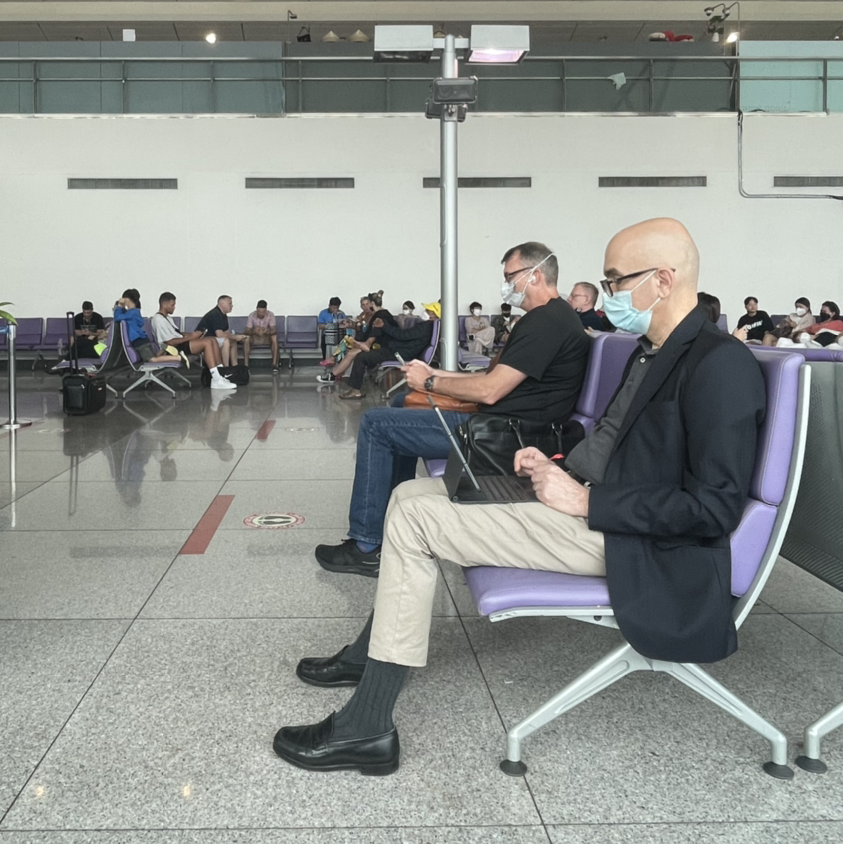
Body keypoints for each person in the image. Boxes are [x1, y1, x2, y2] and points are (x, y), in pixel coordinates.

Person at [274, 217, 766, 776]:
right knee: (410, 495)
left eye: (615, 281)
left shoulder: (719, 364)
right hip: (593, 505)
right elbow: (619, 448)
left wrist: (586, 502)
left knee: (415, 522)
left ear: (663, 279)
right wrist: (555, 467)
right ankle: (371, 658)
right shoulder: (652, 352)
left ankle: (367, 726)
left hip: (635, 540)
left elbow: (714, 510)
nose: (607, 295)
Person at [314, 243, 589, 577]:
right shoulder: (549, 319)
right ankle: (383, 526)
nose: (506, 285)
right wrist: (434, 374)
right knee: (400, 404)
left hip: (506, 436)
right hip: (505, 426)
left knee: (376, 424)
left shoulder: (547, 322)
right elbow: (491, 378)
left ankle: (365, 546)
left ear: (534, 275)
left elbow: (490, 391)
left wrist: (431, 383)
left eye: (510, 277)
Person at [337, 308, 432, 399]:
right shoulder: (426, 326)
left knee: (361, 357)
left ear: (433, 315)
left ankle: (355, 391)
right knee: (380, 321)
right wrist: (383, 325)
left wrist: (384, 325)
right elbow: (405, 336)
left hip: (399, 352)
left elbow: (403, 336)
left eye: (428, 311)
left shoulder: (424, 327)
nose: (425, 312)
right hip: (399, 348)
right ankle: (368, 344)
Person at [150, 292, 235, 389]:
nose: (174, 307)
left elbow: (177, 334)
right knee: (207, 342)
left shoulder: (167, 318)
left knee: (212, 339)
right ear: (164, 304)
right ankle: (216, 379)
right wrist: (191, 337)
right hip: (172, 349)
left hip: (180, 344)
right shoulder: (158, 319)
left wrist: (193, 334)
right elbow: (169, 342)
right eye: (172, 305)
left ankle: (220, 374)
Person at [197, 295, 247, 367]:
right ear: (222, 304)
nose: (232, 306)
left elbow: (226, 332)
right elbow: (220, 335)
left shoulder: (223, 315)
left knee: (232, 341)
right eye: (230, 303)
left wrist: (236, 337)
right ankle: (225, 367)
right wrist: (235, 337)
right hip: (204, 339)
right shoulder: (215, 314)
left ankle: (235, 366)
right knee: (225, 341)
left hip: (213, 339)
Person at [113, 289, 153, 363]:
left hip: (139, 342)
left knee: (152, 360)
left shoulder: (132, 313)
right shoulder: (134, 312)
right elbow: (122, 316)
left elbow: (117, 317)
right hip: (141, 340)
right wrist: (121, 308)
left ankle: (175, 358)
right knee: (152, 357)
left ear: (126, 299)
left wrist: (119, 306)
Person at [245, 300, 279, 369]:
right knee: (246, 339)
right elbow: (247, 331)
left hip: (266, 337)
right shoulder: (251, 315)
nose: (261, 314)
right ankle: (246, 365)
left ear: (266, 310)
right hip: (255, 338)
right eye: (259, 312)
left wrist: (266, 331)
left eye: (263, 312)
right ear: (256, 309)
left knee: (274, 337)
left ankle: (274, 364)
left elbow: (273, 330)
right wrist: (254, 330)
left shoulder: (270, 314)